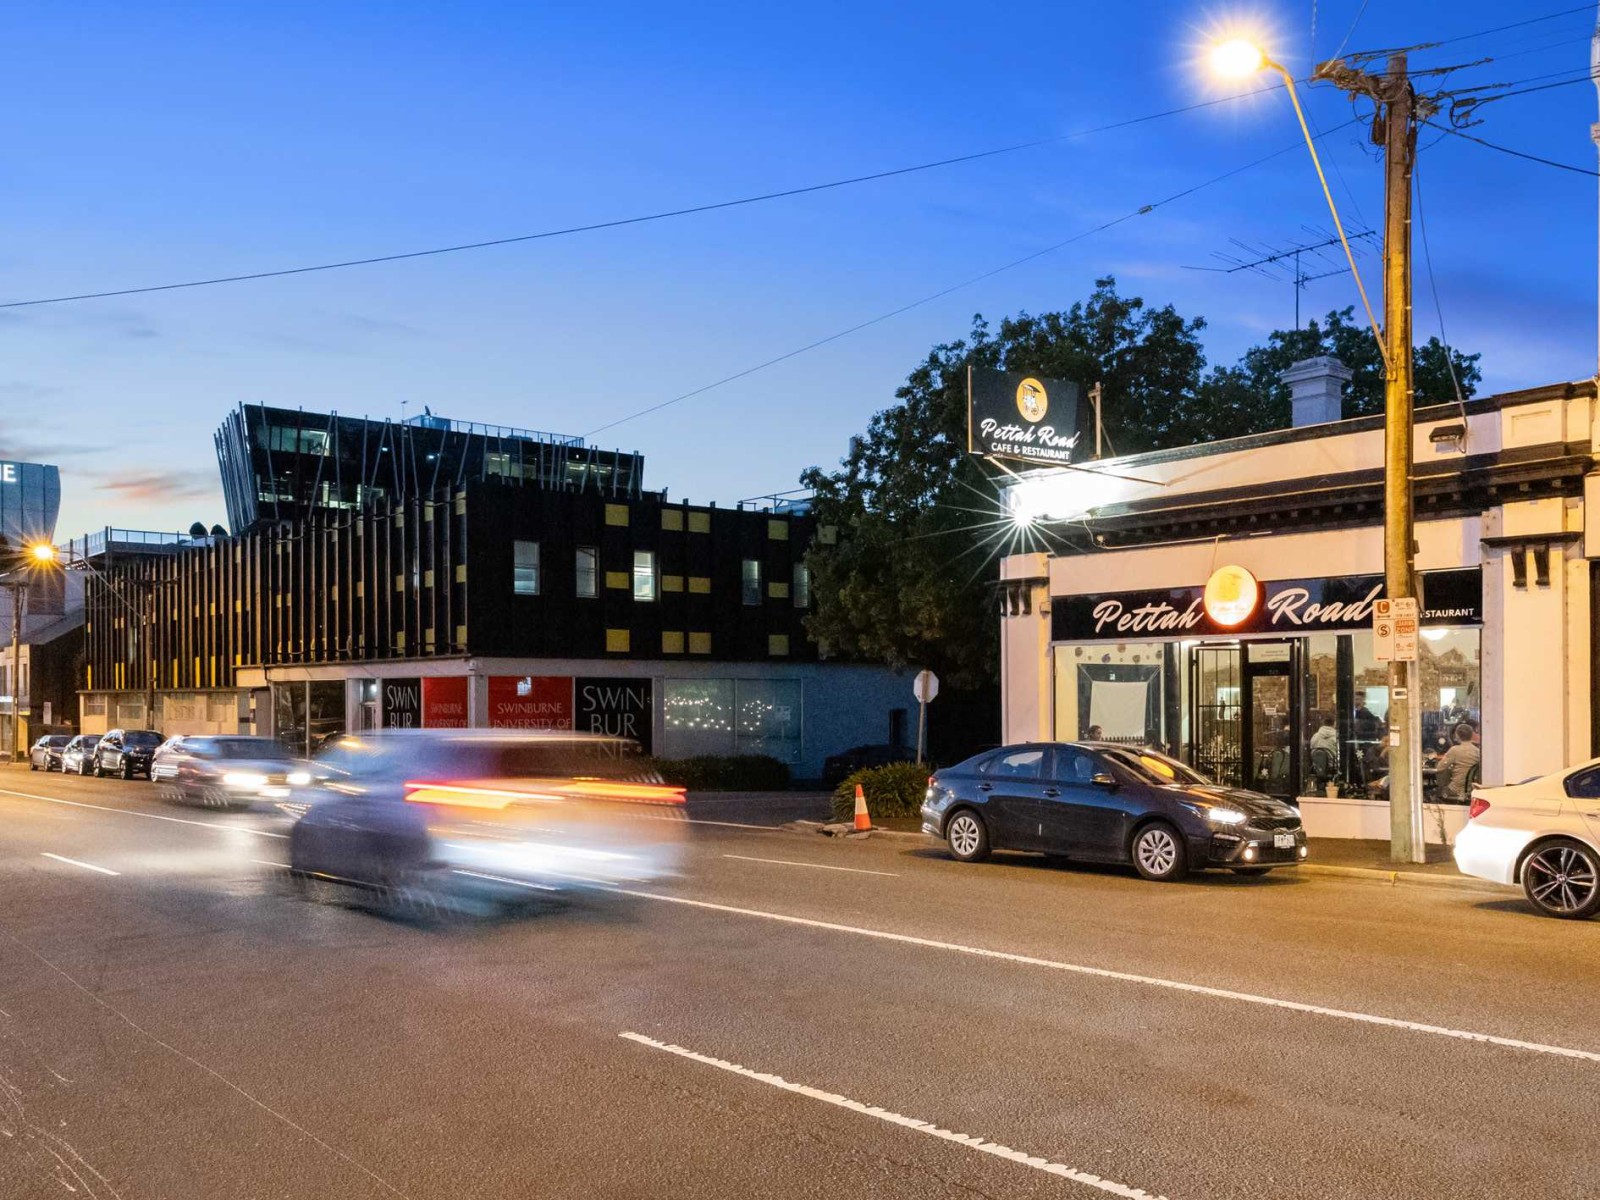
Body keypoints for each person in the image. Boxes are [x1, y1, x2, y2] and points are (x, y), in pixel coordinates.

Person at [1438, 722, 1481, 801]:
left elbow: (1440, 768)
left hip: (1455, 790)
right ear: (1471, 735)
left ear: (1457, 735)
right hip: (1471, 791)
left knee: (1436, 792)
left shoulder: (1454, 750)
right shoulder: (1477, 751)